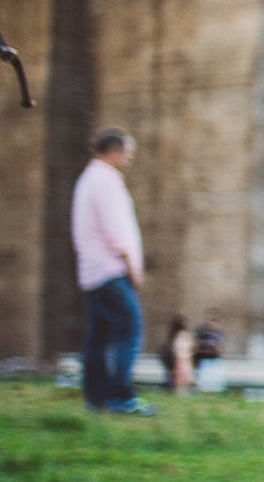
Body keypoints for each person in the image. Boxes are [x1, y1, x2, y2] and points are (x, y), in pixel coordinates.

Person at [72, 126, 153, 416]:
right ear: (115, 151)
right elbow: (115, 231)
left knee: (98, 336)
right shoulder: (106, 182)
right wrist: (132, 267)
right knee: (130, 329)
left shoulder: (88, 179)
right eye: (129, 152)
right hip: (110, 270)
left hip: (93, 271)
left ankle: (97, 398)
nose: (130, 158)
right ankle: (120, 396)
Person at [163, 315, 195, 395]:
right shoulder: (183, 336)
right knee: (182, 380)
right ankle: (182, 393)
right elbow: (188, 348)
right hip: (182, 360)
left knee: (179, 380)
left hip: (179, 361)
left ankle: (180, 392)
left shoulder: (173, 336)